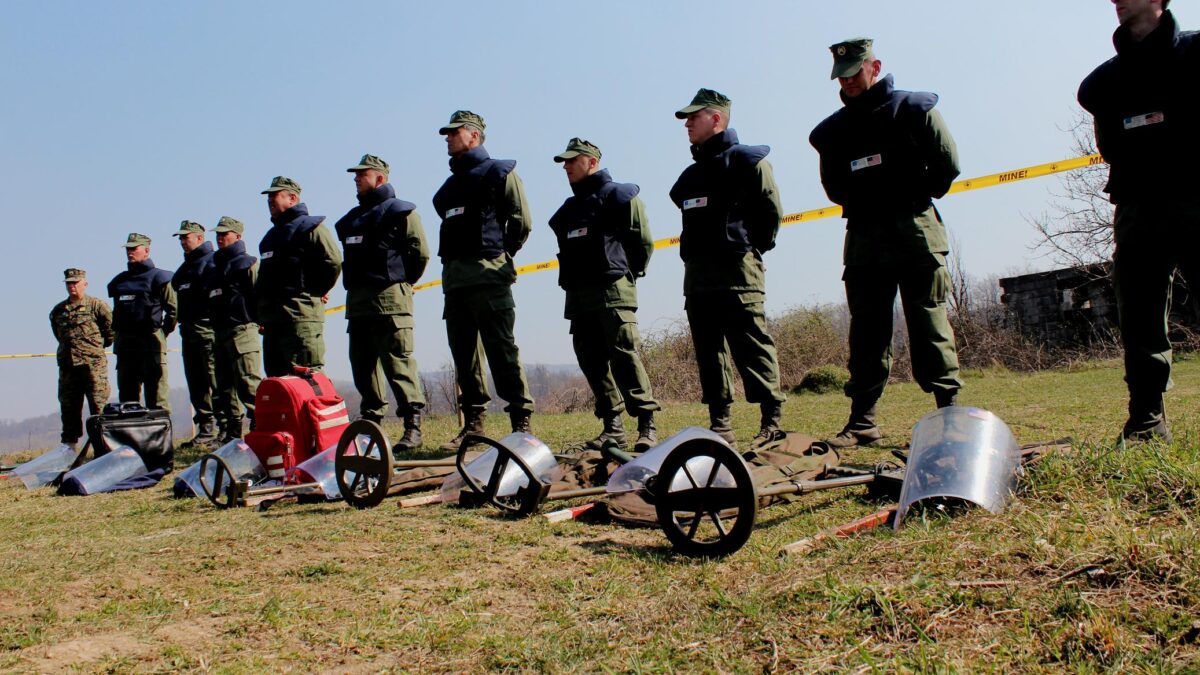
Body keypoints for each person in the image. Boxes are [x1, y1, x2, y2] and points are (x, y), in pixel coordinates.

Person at [809, 38, 963, 449]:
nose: (848, 82)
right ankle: (862, 422)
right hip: (864, 240)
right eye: (841, 76)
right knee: (867, 332)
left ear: (874, 66)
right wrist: (870, 203)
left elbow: (948, 164)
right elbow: (834, 187)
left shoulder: (913, 109)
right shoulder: (832, 133)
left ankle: (948, 414)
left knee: (928, 321)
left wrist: (908, 195)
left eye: (855, 72)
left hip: (915, 232)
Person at [1078, 0, 1198, 444]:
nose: (1117, 0)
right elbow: (1111, 146)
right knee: (1140, 313)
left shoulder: (1195, 54)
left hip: (1196, 199)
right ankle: (1147, 418)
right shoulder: (1105, 83)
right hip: (1138, 207)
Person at [668, 89, 786, 446]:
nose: (687, 124)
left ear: (716, 119)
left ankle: (771, 421)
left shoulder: (750, 163)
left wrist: (748, 249)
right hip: (699, 279)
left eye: (694, 117)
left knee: (752, 346)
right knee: (708, 352)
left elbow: (770, 215)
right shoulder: (689, 177)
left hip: (738, 274)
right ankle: (720, 423)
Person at [548, 138, 660, 451]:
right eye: (564, 162)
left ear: (592, 162)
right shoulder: (567, 212)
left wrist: (628, 276)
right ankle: (612, 428)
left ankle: (646, 426)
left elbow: (643, 242)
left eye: (573, 160)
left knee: (624, 356)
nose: (566, 167)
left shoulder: (619, 196)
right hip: (579, 299)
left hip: (613, 292)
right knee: (591, 362)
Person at [433, 110, 535, 449]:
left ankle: (520, 421)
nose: (448, 138)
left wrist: (500, 256)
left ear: (474, 136)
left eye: (454, 132)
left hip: (490, 279)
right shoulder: (446, 190)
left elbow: (521, 221)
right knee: (464, 356)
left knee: (502, 350)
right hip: (456, 283)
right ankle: (474, 425)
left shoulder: (500, 172)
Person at [335, 154, 430, 452]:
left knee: (398, 363)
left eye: (362, 174)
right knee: (362, 367)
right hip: (359, 303)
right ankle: (370, 426)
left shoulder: (402, 212)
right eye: (356, 175)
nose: (356, 179)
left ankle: (412, 426)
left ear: (380, 178)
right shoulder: (350, 220)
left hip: (391, 300)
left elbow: (420, 253)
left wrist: (402, 283)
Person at [257, 176, 342, 377]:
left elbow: (333, 262)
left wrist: (316, 291)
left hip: (300, 319)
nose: (270, 201)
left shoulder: (311, 228)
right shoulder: (269, 237)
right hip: (273, 321)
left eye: (275, 195)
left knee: (306, 376)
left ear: (292, 198)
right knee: (278, 383)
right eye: (268, 197)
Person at [205, 217, 263, 443]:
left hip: (243, 329)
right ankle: (231, 431)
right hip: (219, 332)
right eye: (218, 234)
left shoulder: (248, 263)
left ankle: (260, 428)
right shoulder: (213, 269)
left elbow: (258, 293)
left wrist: (260, 321)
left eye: (224, 233)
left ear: (237, 236)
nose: (220, 238)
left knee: (248, 381)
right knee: (223, 386)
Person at [107, 233, 177, 410]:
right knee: (128, 397)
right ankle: (132, 435)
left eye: (134, 248)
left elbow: (173, 310)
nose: (130, 252)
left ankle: (160, 435)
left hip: (150, 342)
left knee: (156, 396)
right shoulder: (119, 282)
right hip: (126, 345)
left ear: (146, 250)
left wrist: (162, 333)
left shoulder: (160, 278)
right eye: (128, 249)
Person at [49, 268, 113, 447]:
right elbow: (58, 334)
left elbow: (110, 332)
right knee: (69, 407)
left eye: (75, 283)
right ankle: (69, 448)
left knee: (98, 407)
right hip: (69, 367)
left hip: (93, 367)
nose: (72, 287)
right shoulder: (59, 310)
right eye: (69, 283)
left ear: (84, 284)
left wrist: (93, 349)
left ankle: (103, 447)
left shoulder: (96, 306)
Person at [172, 220, 220, 448]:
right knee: (196, 381)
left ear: (199, 238)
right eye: (180, 238)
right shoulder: (184, 270)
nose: (183, 242)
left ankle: (226, 427)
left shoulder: (212, 262)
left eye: (186, 237)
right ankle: (206, 428)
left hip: (207, 327)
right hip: (188, 329)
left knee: (215, 378)